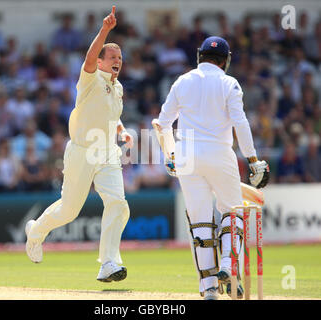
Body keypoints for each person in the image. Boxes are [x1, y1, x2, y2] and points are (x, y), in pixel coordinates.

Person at [154, 36, 269, 300]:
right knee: (232, 211)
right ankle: (228, 267)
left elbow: (162, 123)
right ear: (225, 61)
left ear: (199, 56)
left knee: (200, 223)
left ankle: (208, 290)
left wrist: (170, 154)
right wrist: (253, 160)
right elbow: (240, 123)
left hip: (187, 154)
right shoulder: (229, 83)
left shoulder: (182, 81)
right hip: (219, 153)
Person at [25, 6, 134, 283]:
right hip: (82, 151)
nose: (117, 61)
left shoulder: (117, 87)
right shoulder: (90, 78)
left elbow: (111, 115)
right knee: (69, 210)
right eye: (112, 57)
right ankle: (36, 232)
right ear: (100, 62)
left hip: (107, 152)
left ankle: (108, 263)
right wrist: (105, 30)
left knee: (119, 204)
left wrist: (121, 130)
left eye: (120, 57)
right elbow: (88, 56)